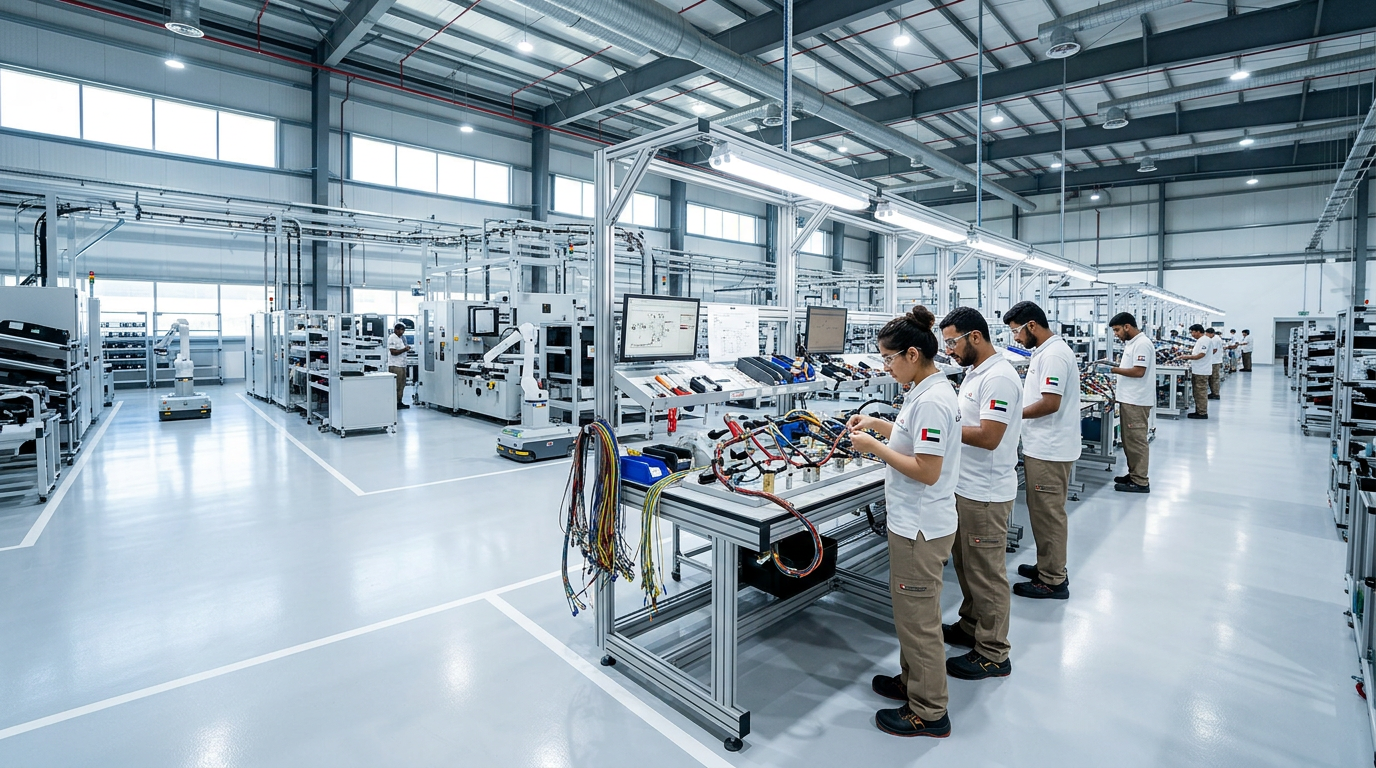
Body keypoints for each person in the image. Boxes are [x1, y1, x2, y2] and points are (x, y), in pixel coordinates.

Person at [847, 306, 960, 739]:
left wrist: (875, 447)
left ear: (912, 354)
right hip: (916, 522)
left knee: (919, 620)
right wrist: (881, 424)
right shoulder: (926, 390)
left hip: (920, 526)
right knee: (911, 614)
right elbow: (914, 437)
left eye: (888, 359)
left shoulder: (932, 399)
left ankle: (929, 711)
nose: (886, 366)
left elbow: (927, 470)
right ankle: (912, 683)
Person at [939, 307, 1021, 680]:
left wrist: (940, 430)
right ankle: (970, 626)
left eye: (952, 343)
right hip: (965, 486)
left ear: (974, 337)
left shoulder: (1000, 377)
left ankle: (993, 652)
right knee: (967, 567)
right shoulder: (975, 373)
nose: (949, 351)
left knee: (987, 574)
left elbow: (989, 436)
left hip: (985, 493)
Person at [1005, 301, 1077, 599]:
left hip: (1050, 448)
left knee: (1048, 514)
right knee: (1042, 512)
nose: (1016, 339)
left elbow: (1050, 403)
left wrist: (1013, 414)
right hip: (1045, 446)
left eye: (1016, 332)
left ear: (1031, 326)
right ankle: (1047, 564)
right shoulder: (1045, 352)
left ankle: (1053, 580)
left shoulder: (1055, 355)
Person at [1099, 313, 1155, 493]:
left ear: (1127, 326)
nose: (1116, 334)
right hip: (1130, 399)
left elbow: (1139, 371)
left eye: (1117, 330)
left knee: (1137, 441)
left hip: (1136, 401)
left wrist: (1112, 369)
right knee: (1129, 441)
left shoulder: (1142, 344)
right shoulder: (1133, 344)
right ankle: (1134, 474)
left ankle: (1140, 481)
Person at [1182, 324, 1212, 419]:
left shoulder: (1204, 340)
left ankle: (1202, 413)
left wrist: (1187, 357)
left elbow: (1201, 354)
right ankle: (1199, 411)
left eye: (1192, 332)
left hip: (1201, 371)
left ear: (1198, 331)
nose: (1192, 334)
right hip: (1198, 370)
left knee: (1200, 392)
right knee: (1197, 392)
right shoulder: (1201, 340)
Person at [388, 323, 411, 409]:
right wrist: (404, 349)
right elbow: (393, 352)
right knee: (396, 385)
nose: (402, 332)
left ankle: (399, 402)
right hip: (395, 365)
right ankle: (394, 402)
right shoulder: (392, 338)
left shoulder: (402, 338)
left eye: (403, 330)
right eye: (401, 330)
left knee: (402, 384)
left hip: (402, 365)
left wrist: (406, 349)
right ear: (396, 329)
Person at [1205, 328, 1222, 400]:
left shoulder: (1214, 339)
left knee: (1214, 378)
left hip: (1214, 361)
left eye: (1207, 334)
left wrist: (1204, 355)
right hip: (1214, 360)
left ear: (1211, 333)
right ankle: (1214, 393)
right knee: (1212, 378)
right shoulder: (1216, 338)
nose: (1206, 336)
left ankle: (1215, 394)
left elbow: (1214, 350)